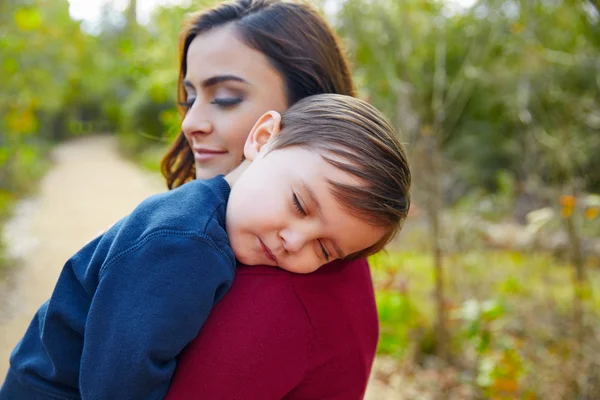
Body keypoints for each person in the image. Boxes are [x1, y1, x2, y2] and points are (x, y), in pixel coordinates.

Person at [0, 93, 412, 400]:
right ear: (264, 138)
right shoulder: (183, 245)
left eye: (324, 251)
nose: (294, 241)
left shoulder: (217, 222)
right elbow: (116, 383)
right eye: (300, 204)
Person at [162, 0, 396, 398]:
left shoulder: (276, 280)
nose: (190, 123)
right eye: (190, 97)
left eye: (225, 98)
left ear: (309, 106)